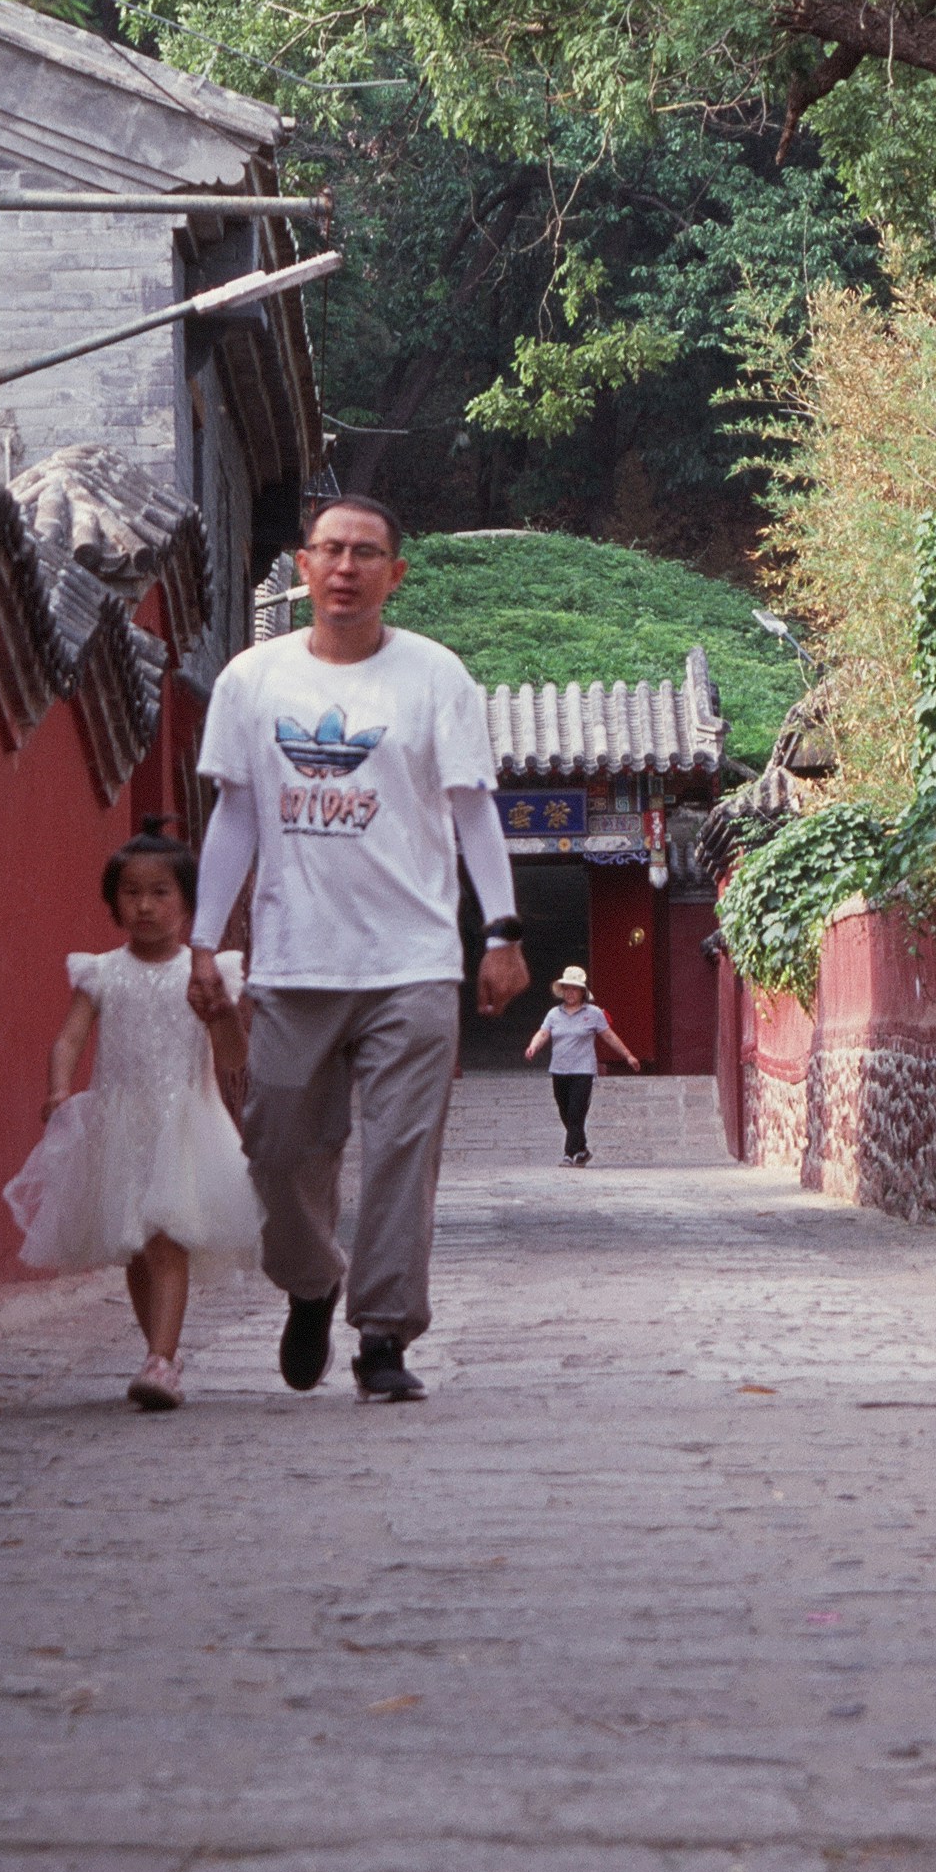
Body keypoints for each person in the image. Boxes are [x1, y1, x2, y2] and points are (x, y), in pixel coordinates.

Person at [193, 489, 528, 1404]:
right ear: (302, 567)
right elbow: (235, 813)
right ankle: (311, 1282)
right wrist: (200, 943)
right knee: (277, 1147)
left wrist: (501, 930)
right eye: (330, 550)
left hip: (413, 961)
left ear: (396, 573)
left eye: (366, 552)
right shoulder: (251, 681)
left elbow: (472, 811)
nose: (346, 567)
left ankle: (384, 1334)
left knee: (401, 1153)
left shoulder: (434, 678)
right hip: (295, 960)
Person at [4, 830, 261, 1413]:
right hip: (121, 1128)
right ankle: (159, 1352)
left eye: (160, 893)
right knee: (138, 1250)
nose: (145, 906)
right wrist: (58, 1088)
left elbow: (232, 1057)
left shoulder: (206, 975)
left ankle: (162, 1360)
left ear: (188, 902)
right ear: (113, 901)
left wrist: (221, 1014)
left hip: (185, 1126)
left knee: (167, 1240)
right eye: (131, 893)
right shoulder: (101, 973)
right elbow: (70, 1039)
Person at [533, 965, 638, 1165]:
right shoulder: (554, 1014)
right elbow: (543, 1033)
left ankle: (569, 1153)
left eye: (574, 989)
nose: (570, 993)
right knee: (565, 1112)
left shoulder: (594, 1013)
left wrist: (628, 1056)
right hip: (559, 1070)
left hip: (582, 1071)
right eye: (567, 988)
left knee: (576, 1111)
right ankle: (582, 1150)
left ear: (582, 992)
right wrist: (533, 1047)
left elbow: (608, 1036)